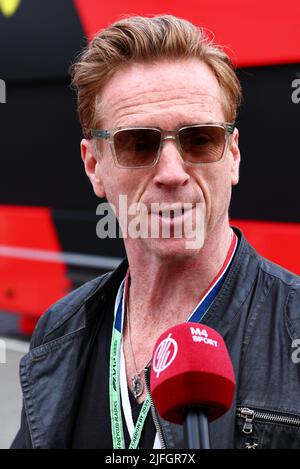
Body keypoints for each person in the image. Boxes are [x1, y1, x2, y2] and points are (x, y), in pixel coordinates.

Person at [11, 15, 300, 449]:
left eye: (200, 139)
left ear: (233, 156)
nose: (171, 172)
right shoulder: (60, 328)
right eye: (138, 144)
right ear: (95, 167)